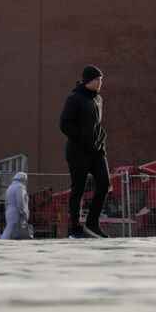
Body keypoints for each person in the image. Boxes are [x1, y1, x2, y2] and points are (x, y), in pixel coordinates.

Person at [60, 65, 110, 238]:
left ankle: (92, 223)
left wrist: (101, 139)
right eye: (97, 79)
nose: (100, 83)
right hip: (78, 151)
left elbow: (96, 126)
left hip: (96, 151)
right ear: (88, 80)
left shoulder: (98, 100)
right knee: (78, 189)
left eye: (101, 80)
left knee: (104, 183)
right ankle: (75, 229)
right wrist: (83, 140)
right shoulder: (74, 98)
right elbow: (65, 124)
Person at [2, 172, 32, 240]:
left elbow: (6, 202)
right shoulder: (19, 187)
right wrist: (23, 212)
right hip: (16, 212)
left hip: (10, 211)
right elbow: (20, 201)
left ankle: (4, 241)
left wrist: (6, 211)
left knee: (9, 228)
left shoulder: (10, 187)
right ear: (23, 179)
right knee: (13, 230)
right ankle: (4, 242)